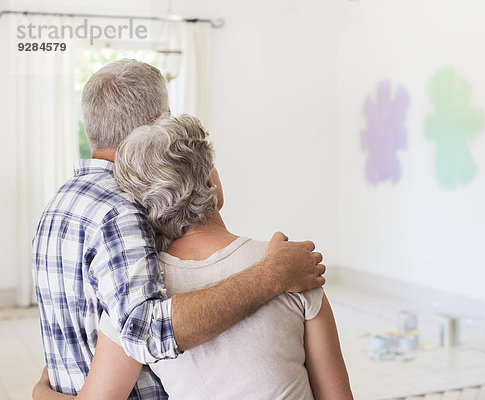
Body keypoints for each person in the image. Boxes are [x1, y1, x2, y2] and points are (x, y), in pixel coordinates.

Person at [31, 59, 326, 399]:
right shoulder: (122, 210)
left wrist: (43, 393)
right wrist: (272, 275)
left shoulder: (60, 204)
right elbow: (146, 332)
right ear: (160, 123)